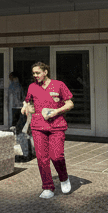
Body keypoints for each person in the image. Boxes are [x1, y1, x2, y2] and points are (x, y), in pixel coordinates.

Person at [22, 61, 74, 200]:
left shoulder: (59, 85)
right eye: (34, 73)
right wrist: (25, 107)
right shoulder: (32, 87)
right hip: (38, 126)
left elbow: (70, 103)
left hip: (57, 126)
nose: (35, 75)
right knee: (41, 158)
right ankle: (47, 187)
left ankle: (64, 178)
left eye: (38, 73)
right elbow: (28, 102)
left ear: (45, 72)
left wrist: (57, 111)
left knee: (57, 156)